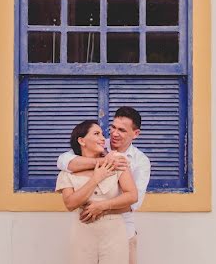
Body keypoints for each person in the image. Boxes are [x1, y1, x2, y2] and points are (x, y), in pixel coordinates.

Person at [57, 107, 151, 264]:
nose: (114, 134)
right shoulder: (98, 144)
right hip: (86, 232)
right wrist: (103, 161)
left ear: (135, 134)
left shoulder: (141, 161)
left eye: (121, 130)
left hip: (123, 231)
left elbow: (134, 201)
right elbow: (63, 161)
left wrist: (101, 207)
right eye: (113, 127)